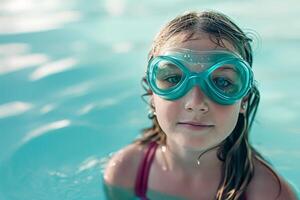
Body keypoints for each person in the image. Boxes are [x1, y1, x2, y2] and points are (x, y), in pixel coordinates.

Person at [103, 10, 298, 200]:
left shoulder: (269, 194)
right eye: (173, 78)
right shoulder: (127, 172)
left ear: (244, 100)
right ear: (152, 93)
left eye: (222, 82)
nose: (196, 103)